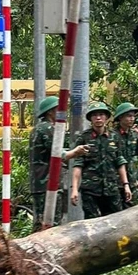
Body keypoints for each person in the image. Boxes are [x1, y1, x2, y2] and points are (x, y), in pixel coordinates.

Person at [29, 96, 89, 230]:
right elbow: (58, 154)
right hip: (48, 184)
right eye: (60, 109)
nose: (64, 113)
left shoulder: (38, 129)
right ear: (50, 112)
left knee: (42, 221)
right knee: (49, 223)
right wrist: (76, 152)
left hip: (42, 183)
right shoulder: (47, 129)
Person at [71, 102, 132, 218]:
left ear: (106, 117)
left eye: (101, 114)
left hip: (111, 188)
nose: (98, 118)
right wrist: (74, 189)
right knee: (91, 223)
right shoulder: (84, 138)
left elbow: (120, 162)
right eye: (94, 115)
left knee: (117, 219)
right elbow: (78, 164)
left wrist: (126, 185)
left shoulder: (115, 136)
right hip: (90, 189)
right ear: (90, 119)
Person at [113, 102, 138, 207]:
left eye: (133, 116)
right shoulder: (112, 135)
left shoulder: (133, 135)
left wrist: (134, 179)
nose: (132, 119)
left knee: (134, 210)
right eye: (129, 116)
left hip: (131, 180)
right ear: (120, 117)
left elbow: (133, 158)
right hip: (116, 182)